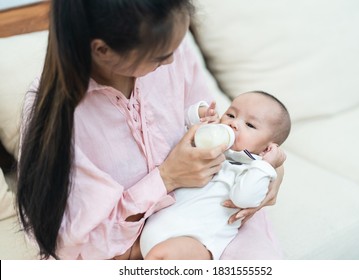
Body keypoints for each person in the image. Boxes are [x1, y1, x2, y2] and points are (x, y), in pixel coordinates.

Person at [16, 0, 285, 260]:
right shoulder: (59, 118)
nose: (170, 62)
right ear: (102, 50)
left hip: (212, 215)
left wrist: (267, 168)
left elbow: (223, 132)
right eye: (159, 56)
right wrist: (166, 178)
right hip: (125, 248)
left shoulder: (170, 47)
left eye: (176, 48)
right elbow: (72, 244)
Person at [140, 91, 291, 260]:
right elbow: (183, 126)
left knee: (162, 256)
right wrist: (202, 114)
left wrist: (265, 166)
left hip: (196, 240)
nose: (234, 124)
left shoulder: (254, 171)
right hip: (154, 226)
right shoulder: (211, 147)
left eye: (250, 125)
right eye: (231, 114)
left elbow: (244, 199)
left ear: (267, 149)